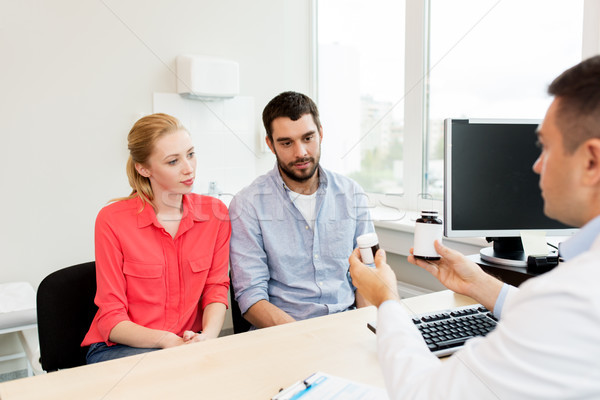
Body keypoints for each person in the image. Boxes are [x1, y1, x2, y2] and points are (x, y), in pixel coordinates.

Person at [349, 55, 600, 399]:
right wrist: (481, 284)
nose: (537, 165)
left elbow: (422, 394)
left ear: (591, 161)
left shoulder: (573, 293)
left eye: (545, 147)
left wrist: (387, 300)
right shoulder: (575, 294)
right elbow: (556, 324)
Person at [82, 113, 231, 363]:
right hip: (119, 348)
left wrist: (207, 337)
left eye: (191, 154)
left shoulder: (215, 214)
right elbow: (111, 318)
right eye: (173, 161)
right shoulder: (112, 220)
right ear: (143, 168)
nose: (188, 168)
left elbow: (215, 288)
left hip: (186, 346)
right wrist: (165, 341)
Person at [229, 91, 374, 329]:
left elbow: (366, 277)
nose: (301, 153)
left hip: (348, 328)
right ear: (270, 144)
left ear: (321, 133)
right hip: (284, 334)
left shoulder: (351, 193)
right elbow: (250, 296)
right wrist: (304, 337)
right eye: (286, 143)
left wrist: (367, 330)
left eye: (308, 138)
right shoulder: (248, 204)